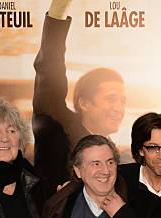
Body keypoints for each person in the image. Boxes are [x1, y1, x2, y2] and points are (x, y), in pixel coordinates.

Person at [33, 0, 126, 191]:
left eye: (122, 101)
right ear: (84, 103)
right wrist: (58, 10)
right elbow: (50, 71)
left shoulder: (119, 157)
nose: (119, 108)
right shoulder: (57, 130)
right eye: (111, 99)